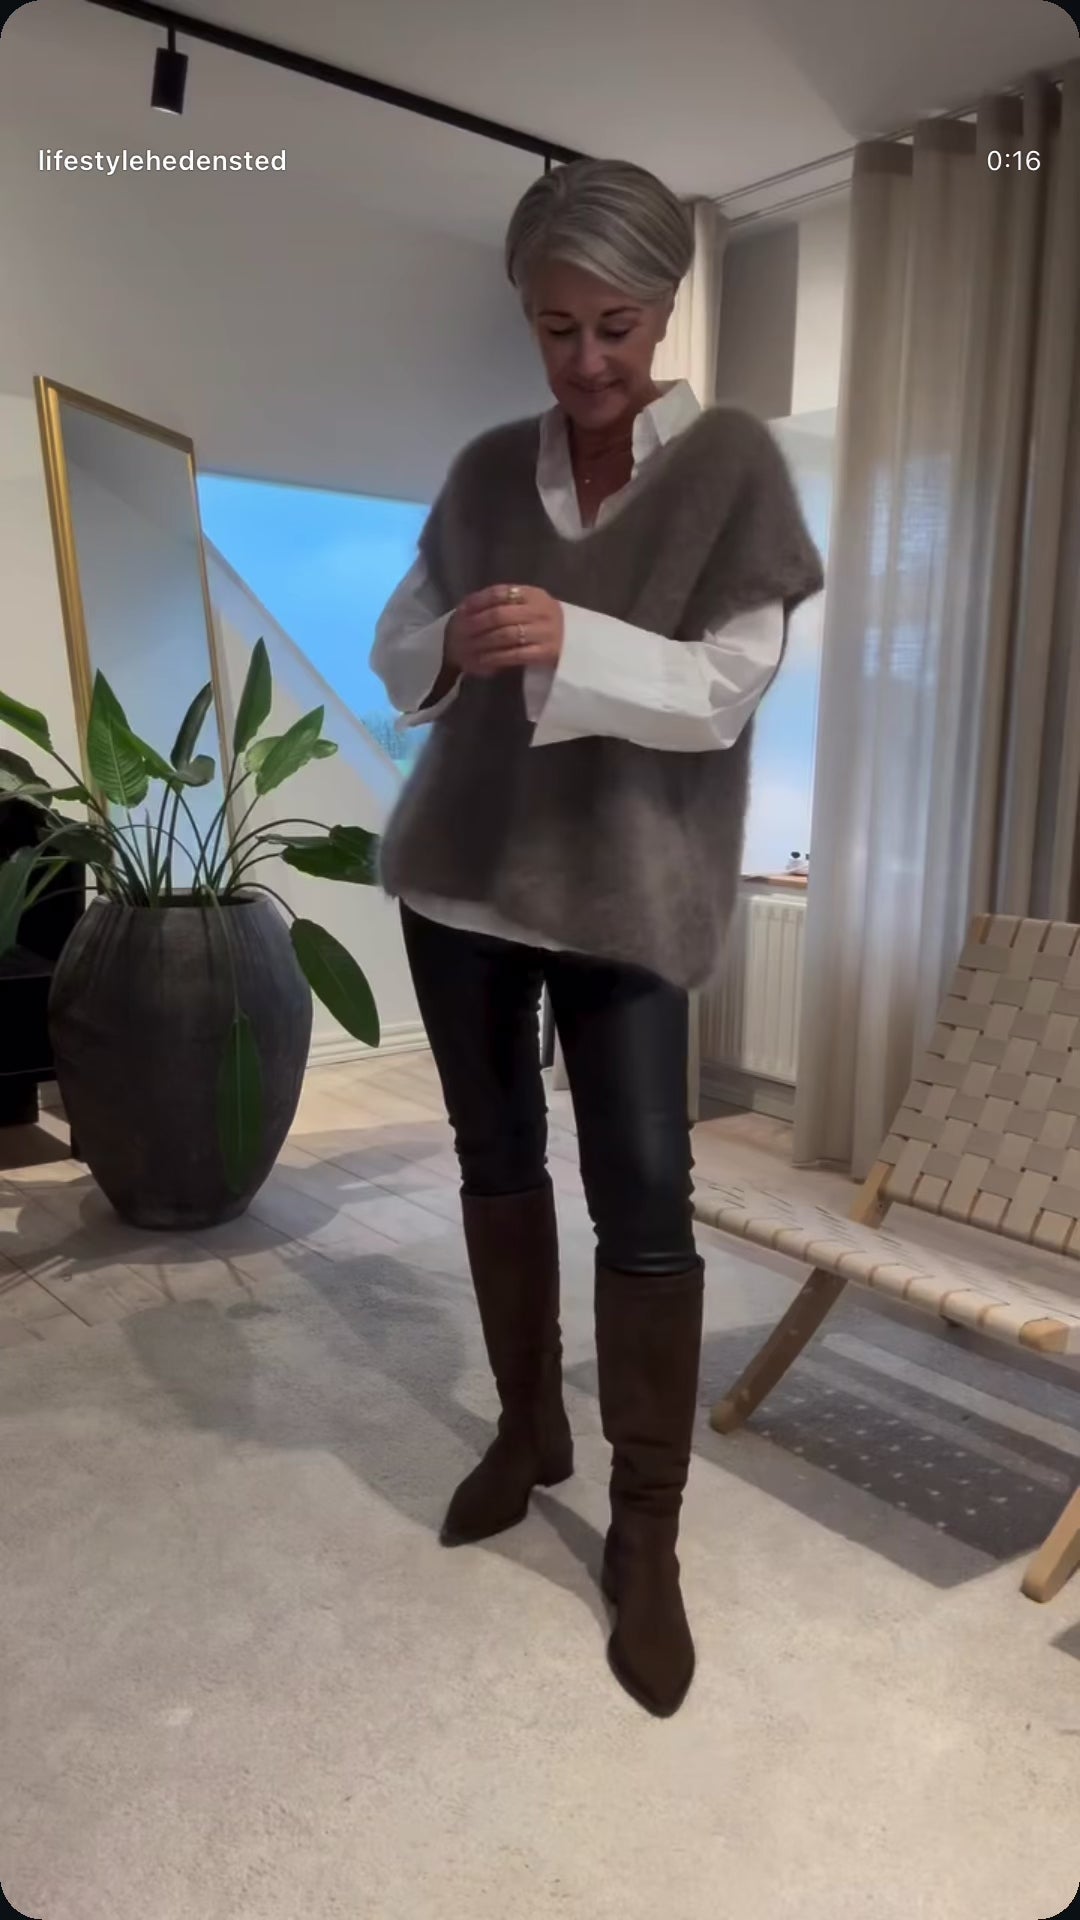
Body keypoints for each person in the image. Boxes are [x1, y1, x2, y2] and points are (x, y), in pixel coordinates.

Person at [371, 157, 822, 1718]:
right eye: (555, 329)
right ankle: (527, 1426)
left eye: (615, 327)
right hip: (462, 876)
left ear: (666, 307)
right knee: (495, 1159)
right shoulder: (490, 469)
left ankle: (647, 1533)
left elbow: (729, 686)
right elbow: (401, 640)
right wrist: (455, 636)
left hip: (628, 885)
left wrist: (575, 637)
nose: (587, 363)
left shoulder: (733, 468)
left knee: (644, 1199)